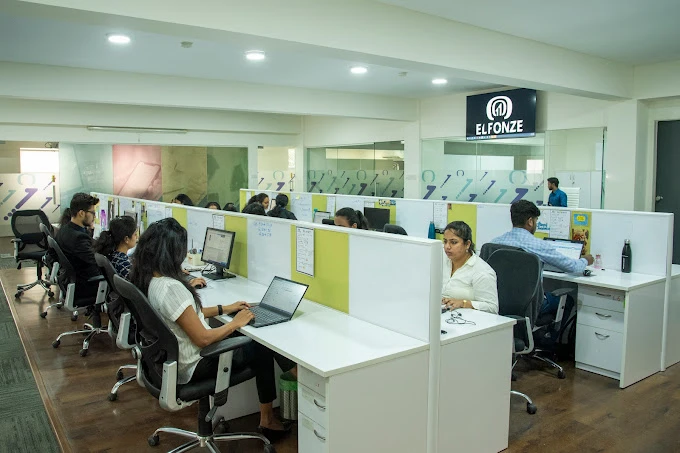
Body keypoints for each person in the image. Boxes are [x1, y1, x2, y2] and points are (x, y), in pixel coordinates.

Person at [129, 218, 295, 437]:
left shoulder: (152, 280)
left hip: (174, 361)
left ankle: (290, 388)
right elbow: (203, 339)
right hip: (196, 363)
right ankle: (270, 417)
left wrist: (225, 308)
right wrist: (235, 322)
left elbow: (185, 314)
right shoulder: (171, 288)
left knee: (249, 338)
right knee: (262, 346)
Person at [491, 200, 594, 313]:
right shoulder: (537, 245)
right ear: (530, 221)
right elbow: (572, 267)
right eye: (536, 220)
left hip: (499, 302)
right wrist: (586, 260)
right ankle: (551, 325)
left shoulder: (494, 243)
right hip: (530, 306)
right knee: (568, 300)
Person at [441, 221, 498, 314]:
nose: (447, 246)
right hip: (442, 313)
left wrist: (464, 303)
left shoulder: (482, 271)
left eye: (453, 242)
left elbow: (492, 308)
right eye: (445, 241)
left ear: (467, 244)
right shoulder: (442, 259)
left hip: (467, 318)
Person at [54, 193, 101, 300]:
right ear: (81, 213)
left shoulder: (65, 230)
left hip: (73, 282)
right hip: (86, 286)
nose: (94, 216)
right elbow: (97, 262)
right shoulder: (79, 238)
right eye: (93, 213)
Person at [93, 215, 138, 280]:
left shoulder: (112, 255)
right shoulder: (123, 264)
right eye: (135, 234)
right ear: (126, 239)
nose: (137, 237)